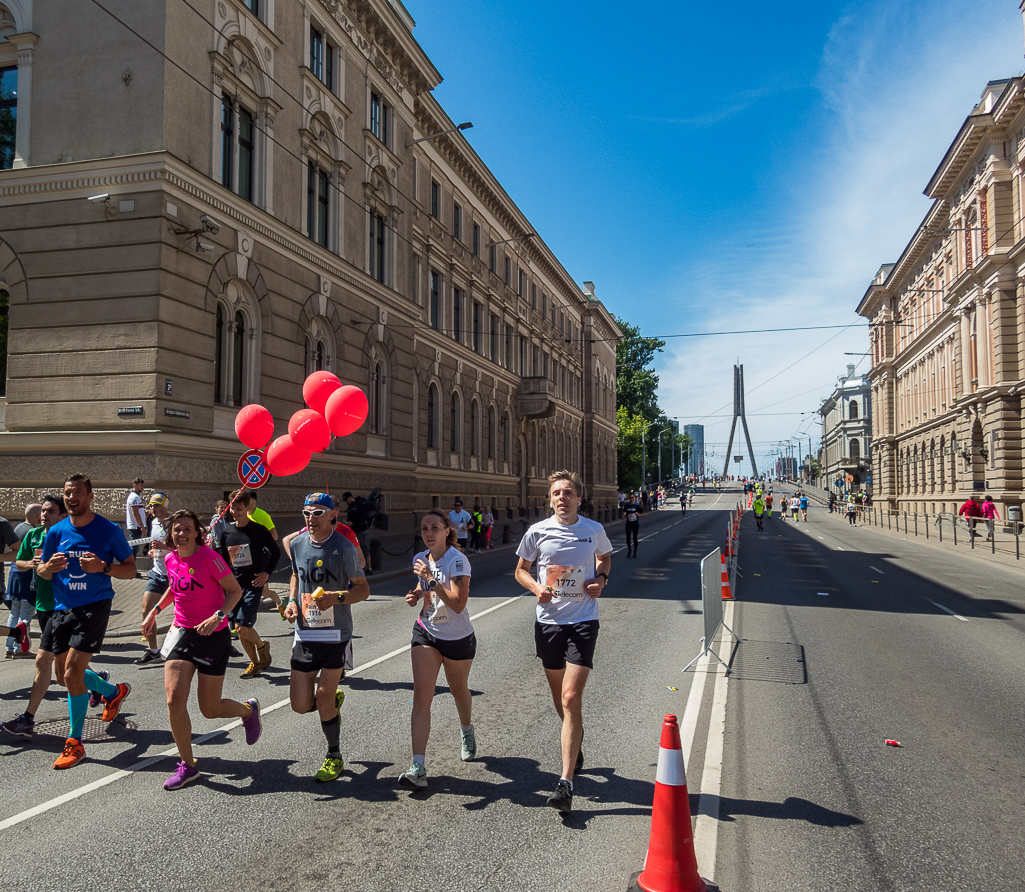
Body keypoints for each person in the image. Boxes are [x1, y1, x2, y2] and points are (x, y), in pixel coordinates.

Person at [141, 509, 262, 789]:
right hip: (182, 634)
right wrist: (155, 611)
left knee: (210, 709)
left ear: (197, 533)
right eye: (176, 530)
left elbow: (235, 591)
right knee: (173, 700)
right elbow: (175, 587)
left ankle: (248, 711)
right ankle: (188, 766)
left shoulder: (209, 558)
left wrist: (219, 616)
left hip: (212, 635)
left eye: (186, 529)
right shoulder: (171, 559)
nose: (180, 534)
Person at [515, 470, 612, 815]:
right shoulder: (537, 532)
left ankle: (565, 783)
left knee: (571, 697)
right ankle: (576, 739)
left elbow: (604, 558)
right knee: (560, 699)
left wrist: (600, 579)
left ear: (578, 498)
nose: (562, 498)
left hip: (583, 620)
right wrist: (536, 588)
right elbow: (521, 570)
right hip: (549, 623)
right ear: (550, 499)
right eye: (556, 493)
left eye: (568, 492)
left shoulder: (593, 530)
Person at [37, 473, 136, 770]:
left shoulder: (108, 530)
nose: (71, 497)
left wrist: (103, 567)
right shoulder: (56, 531)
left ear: (90, 496)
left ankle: (74, 742)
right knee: (64, 678)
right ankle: (112, 692)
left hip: (94, 605)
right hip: (61, 607)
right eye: (68, 493)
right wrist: (48, 568)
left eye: (78, 492)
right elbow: (41, 569)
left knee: (72, 672)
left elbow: (130, 571)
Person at [284, 493, 369, 782]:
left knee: (323, 700)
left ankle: (334, 755)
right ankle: (331, 701)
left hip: (335, 634)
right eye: (306, 512)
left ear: (333, 515)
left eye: (318, 512)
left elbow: (362, 589)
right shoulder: (297, 544)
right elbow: (296, 575)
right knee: (298, 705)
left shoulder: (344, 547)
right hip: (305, 632)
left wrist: (338, 597)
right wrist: (292, 602)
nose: (311, 518)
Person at [398, 510, 477, 790]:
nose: (428, 533)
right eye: (424, 529)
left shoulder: (458, 561)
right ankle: (418, 765)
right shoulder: (420, 559)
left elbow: (457, 604)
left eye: (434, 528)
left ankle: (466, 729)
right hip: (427, 631)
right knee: (421, 697)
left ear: (447, 531)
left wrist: (430, 580)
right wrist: (417, 594)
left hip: (457, 638)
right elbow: (429, 591)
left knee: (459, 691)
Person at [1, 496, 79, 738]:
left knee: (44, 662)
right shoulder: (33, 535)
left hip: (63, 606)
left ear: (62, 515)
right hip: (42, 603)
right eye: (43, 511)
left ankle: (27, 718)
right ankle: (107, 689)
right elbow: (19, 560)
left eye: (50, 511)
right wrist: (31, 563)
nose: (44, 515)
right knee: (63, 673)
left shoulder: (68, 536)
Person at [216, 489, 280, 678]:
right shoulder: (227, 532)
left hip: (253, 583)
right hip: (234, 586)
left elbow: (275, 552)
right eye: (232, 508)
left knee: (243, 626)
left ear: (247, 508)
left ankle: (262, 646)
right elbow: (223, 560)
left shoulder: (257, 531)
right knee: (237, 628)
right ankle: (255, 663)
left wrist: (266, 574)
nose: (235, 512)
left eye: (239, 508)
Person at [136, 493, 171, 666]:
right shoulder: (154, 522)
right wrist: (153, 553)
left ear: (165, 506)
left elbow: (185, 545)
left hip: (175, 575)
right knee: (146, 611)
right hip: (157, 573)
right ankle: (154, 651)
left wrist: (164, 547)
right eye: (151, 506)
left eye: (156, 506)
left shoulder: (174, 522)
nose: (153, 509)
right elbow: (157, 546)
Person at [245, 490, 286, 620]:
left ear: (253, 499)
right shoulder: (243, 515)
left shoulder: (262, 515)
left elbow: (275, 536)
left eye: (247, 499)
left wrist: (259, 540)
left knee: (263, 591)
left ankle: (280, 603)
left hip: (261, 558)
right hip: (247, 558)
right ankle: (241, 622)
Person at [342, 491, 374, 574]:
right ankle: (358, 568)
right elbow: (350, 517)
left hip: (360, 530)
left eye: (346, 500)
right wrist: (348, 523)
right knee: (354, 550)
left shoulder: (359, 504)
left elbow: (363, 517)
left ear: (350, 498)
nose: (346, 502)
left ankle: (369, 568)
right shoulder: (349, 508)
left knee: (364, 549)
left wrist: (353, 523)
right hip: (353, 530)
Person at [125, 477, 147, 557]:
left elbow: (138, 511)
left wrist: (145, 514)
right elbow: (135, 513)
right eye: (141, 485)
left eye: (143, 485)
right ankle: (130, 566)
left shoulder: (135, 496)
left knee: (134, 548)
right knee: (133, 549)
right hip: (135, 527)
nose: (142, 487)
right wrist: (142, 527)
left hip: (135, 526)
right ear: (135, 485)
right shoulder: (134, 497)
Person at [623, 492, 642, 558]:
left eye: (632, 497)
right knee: (628, 538)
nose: (631, 499)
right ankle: (629, 551)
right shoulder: (626, 505)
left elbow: (643, 514)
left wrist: (638, 514)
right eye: (630, 498)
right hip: (628, 524)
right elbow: (624, 512)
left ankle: (635, 552)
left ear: (634, 498)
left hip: (635, 524)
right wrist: (623, 516)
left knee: (635, 538)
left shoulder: (637, 505)